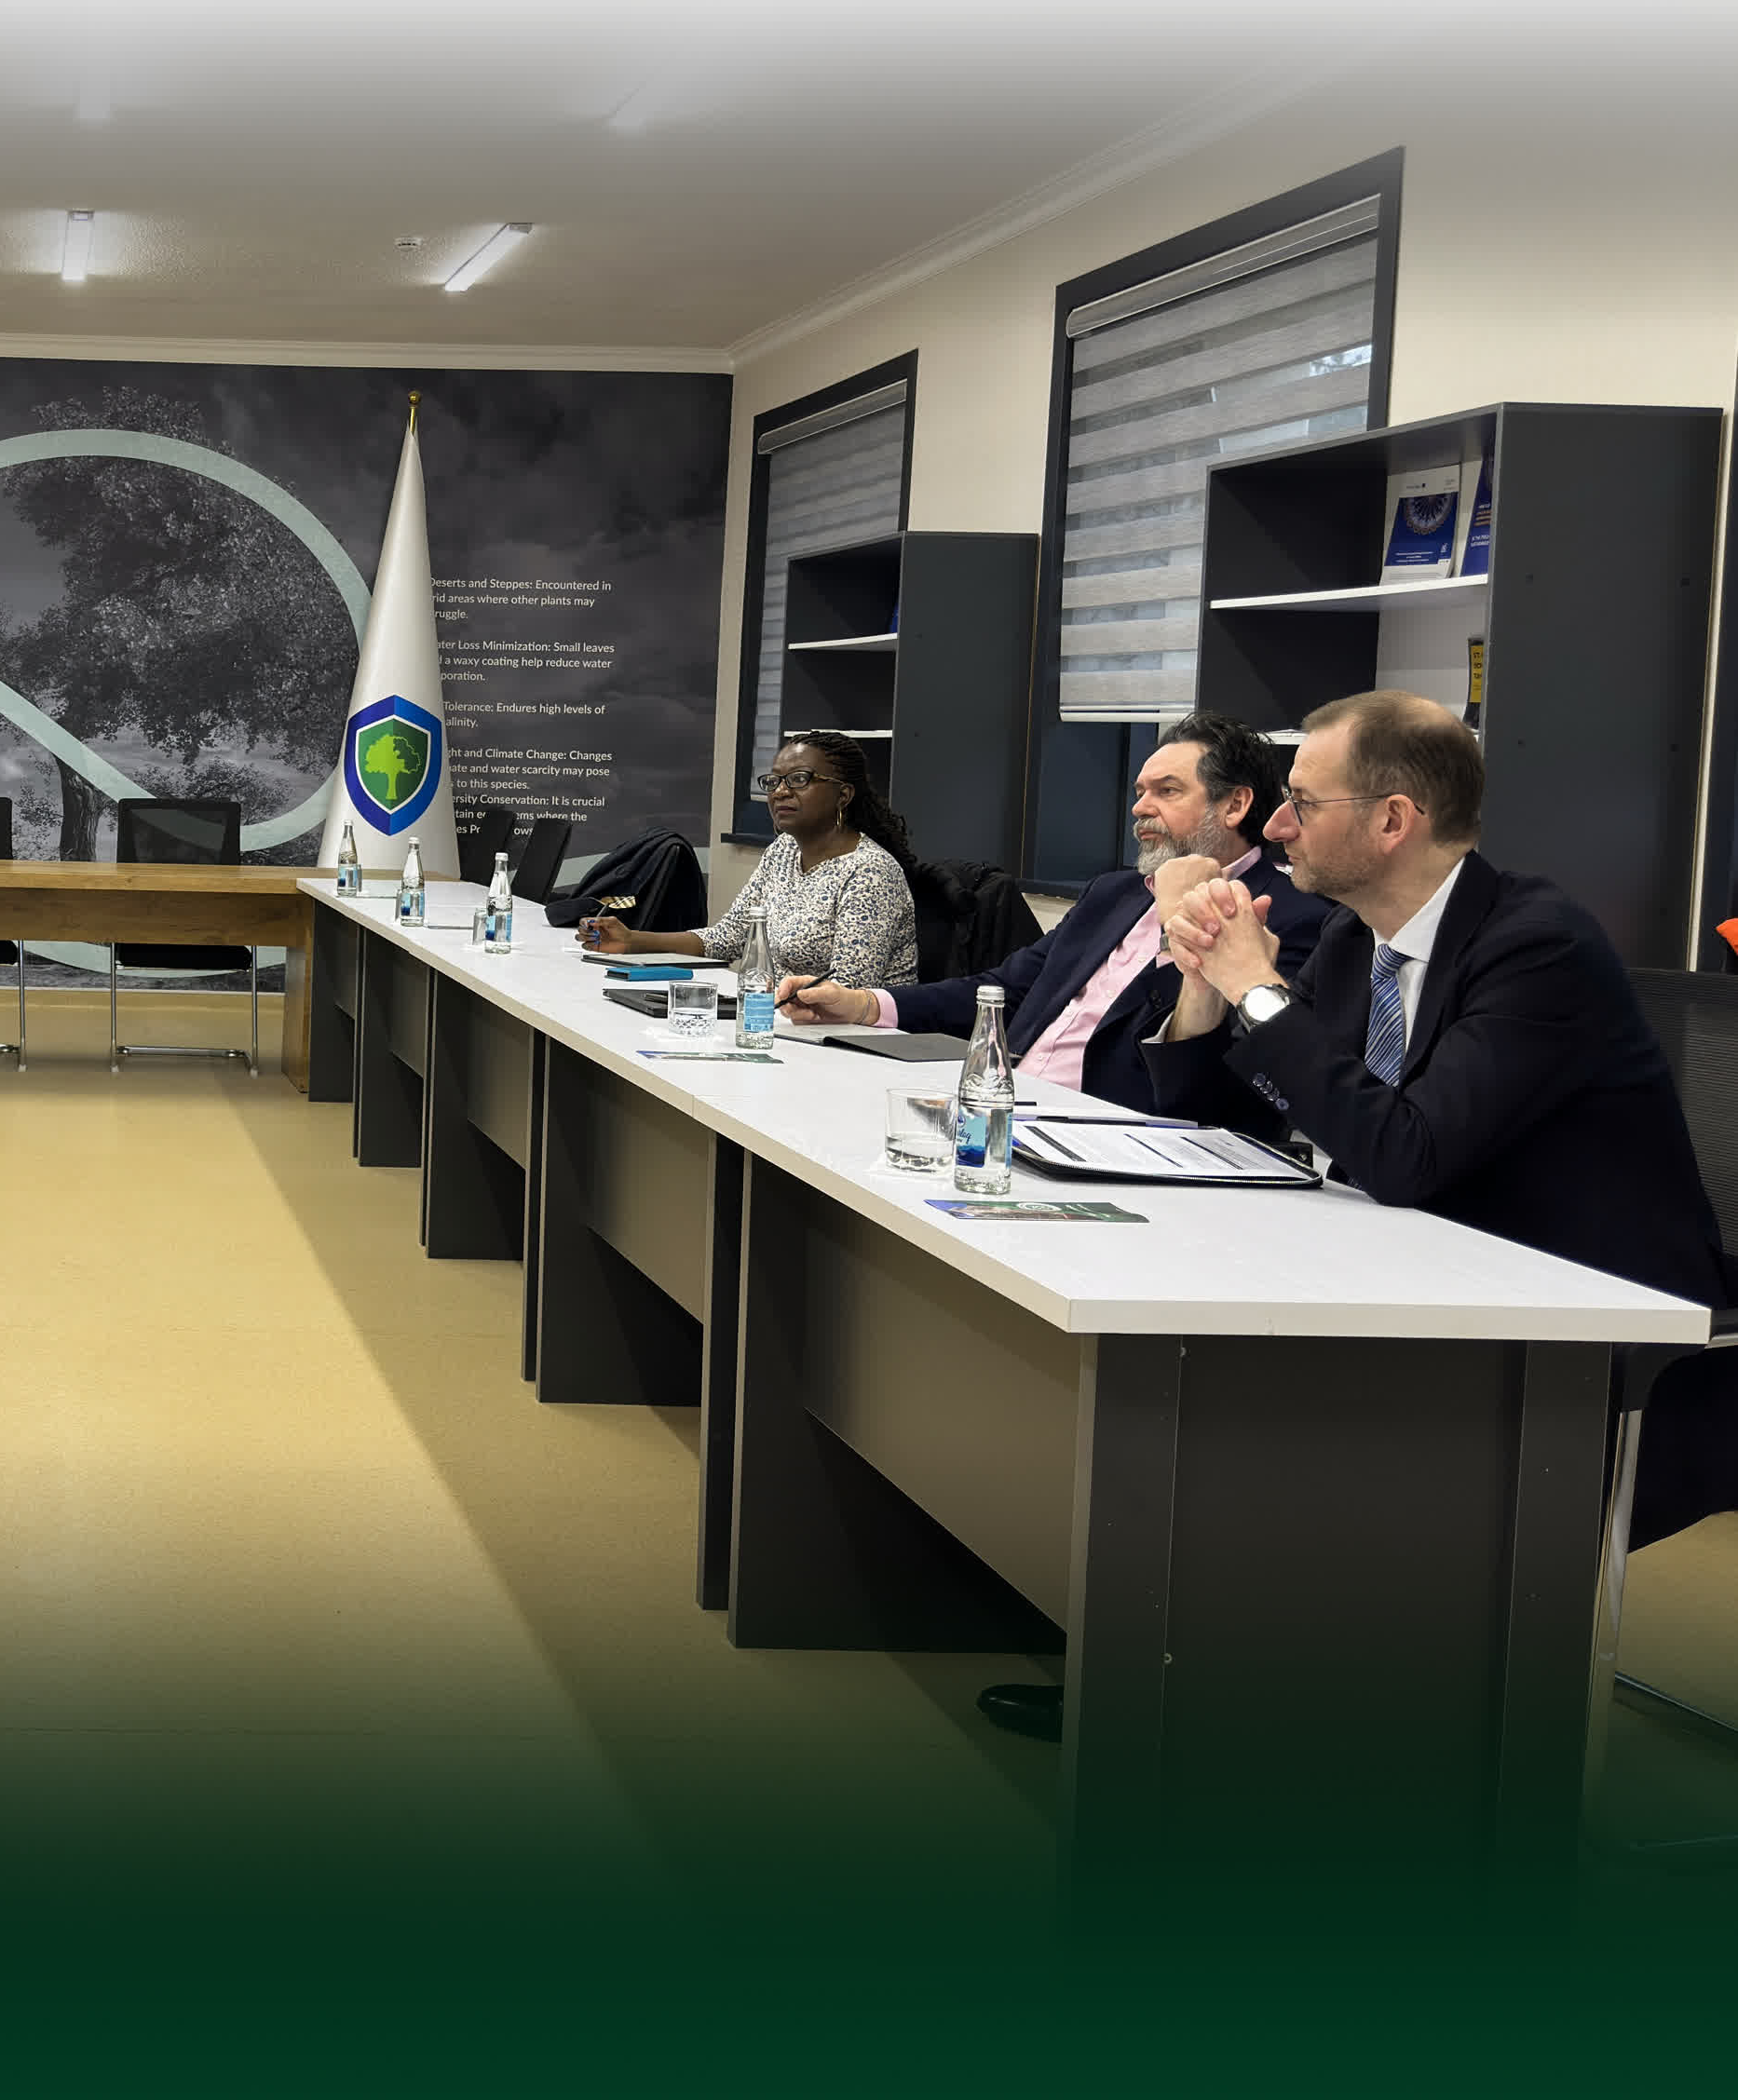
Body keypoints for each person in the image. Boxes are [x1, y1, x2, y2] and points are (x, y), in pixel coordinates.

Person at [978, 691, 1737, 1743]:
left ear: (1391, 820)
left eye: (1302, 802)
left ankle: (1223, 1704)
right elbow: (1219, 1120)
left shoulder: (1536, 945)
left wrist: (1259, 990)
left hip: (1588, 1336)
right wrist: (1206, 986)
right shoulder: (1354, 940)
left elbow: (1404, 1154)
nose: (1279, 824)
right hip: (1419, 1276)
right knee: (1197, 1378)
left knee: (1253, 1411)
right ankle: (1174, 1682)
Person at [769, 712, 1329, 1113]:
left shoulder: (1291, 915)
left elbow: (1222, 1087)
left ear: (1234, 805)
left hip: (1113, 1134)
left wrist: (1176, 917)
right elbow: (1005, 988)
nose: (1140, 807)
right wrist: (865, 1004)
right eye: (1139, 791)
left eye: (1167, 791)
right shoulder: (1114, 892)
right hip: (1005, 1105)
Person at [579, 731, 919, 988]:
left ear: (843, 795)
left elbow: (850, 989)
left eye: (799, 779)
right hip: (783, 1019)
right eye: (774, 781)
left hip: (850, 1038)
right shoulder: (783, 850)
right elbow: (730, 937)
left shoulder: (870, 872)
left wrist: (760, 999)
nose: (780, 791)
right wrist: (632, 940)